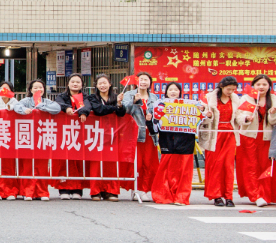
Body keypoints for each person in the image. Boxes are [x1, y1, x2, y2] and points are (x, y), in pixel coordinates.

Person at [152, 82, 208, 205]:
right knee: (166, 169)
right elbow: (155, 126)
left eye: (176, 90)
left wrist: (202, 111)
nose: (173, 92)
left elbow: (201, 120)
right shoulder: (161, 105)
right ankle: (164, 195)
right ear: (166, 92)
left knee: (184, 171)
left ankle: (181, 197)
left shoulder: (190, 106)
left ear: (180, 92)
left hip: (186, 141)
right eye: (170, 89)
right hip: (167, 140)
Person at [77, 74, 127, 201]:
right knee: (96, 163)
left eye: (105, 83)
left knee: (111, 163)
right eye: (100, 83)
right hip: (96, 134)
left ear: (110, 84)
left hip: (113, 134)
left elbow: (121, 113)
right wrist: (114, 108)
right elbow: (99, 110)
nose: (103, 85)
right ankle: (96, 191)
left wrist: (119, 104)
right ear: (96, 86)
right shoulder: (92, 98)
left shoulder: (116, 97)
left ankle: (111, 191)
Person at [235, 75, 276, 207]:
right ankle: (255, 195)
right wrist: (247, 118)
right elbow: (238, 117)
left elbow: (275, 121)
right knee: (250, 166)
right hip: (248, 137)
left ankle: (265, 194)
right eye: (258, 84)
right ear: (253, 86)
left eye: (264, 84)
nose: (261, 87)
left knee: (266, 166)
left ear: (269, 86)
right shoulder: (246, 98)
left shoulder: (274, 99)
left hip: (267, 137)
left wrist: (273, 113)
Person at [12, 78, 62, 201]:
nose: (38, 89)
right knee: (27, 165)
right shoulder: (25, 101)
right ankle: (27, 191)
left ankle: (42, 191)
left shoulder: (47, 101)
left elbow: (57, 108)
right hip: (27, 137)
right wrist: (24, 110)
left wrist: (41, 106)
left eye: (40, 87)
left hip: (42, 137)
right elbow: (16, 106)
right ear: (30, 89)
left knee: (42, 165)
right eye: (35, 87)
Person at [200, 76, 240, 206]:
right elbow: (201, 115)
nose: (230, 92)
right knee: (215, 165)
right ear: (221, 86)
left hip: (230, 134)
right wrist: (207, 115)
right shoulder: (209, 98)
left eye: (233, 89)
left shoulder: (235, 99)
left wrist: (246, 119)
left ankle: (228, 196)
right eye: (228, 89)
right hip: (214, 134)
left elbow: (238, 116)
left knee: (228, 166)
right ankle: (216, 195)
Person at [121, 72, 159, 201]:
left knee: (149, 163)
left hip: (149, 135)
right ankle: (135, 187)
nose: (143, 82)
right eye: (141, 79)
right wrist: (134, 101)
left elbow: (159, 115)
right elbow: (124, 111)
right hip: (134, 134)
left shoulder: (154, 97)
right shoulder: (129, 95)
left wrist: (151, 118)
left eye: (146, 80)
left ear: (150, 83)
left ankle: (145, 190)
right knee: (137, 163)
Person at [55, 74, 88, 199]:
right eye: (72, 81)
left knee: (79, 161)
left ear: (82, 84)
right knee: (64, 161)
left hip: (80, 133)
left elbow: (88, 106)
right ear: (68, 84)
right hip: (65, 133)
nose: (75, 84)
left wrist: (83, 112)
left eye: (78, 82)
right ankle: (63, 189)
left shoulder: (85, 97)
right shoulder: (62, 96)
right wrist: (67, 107)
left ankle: (77, 189)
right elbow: (57, 104)